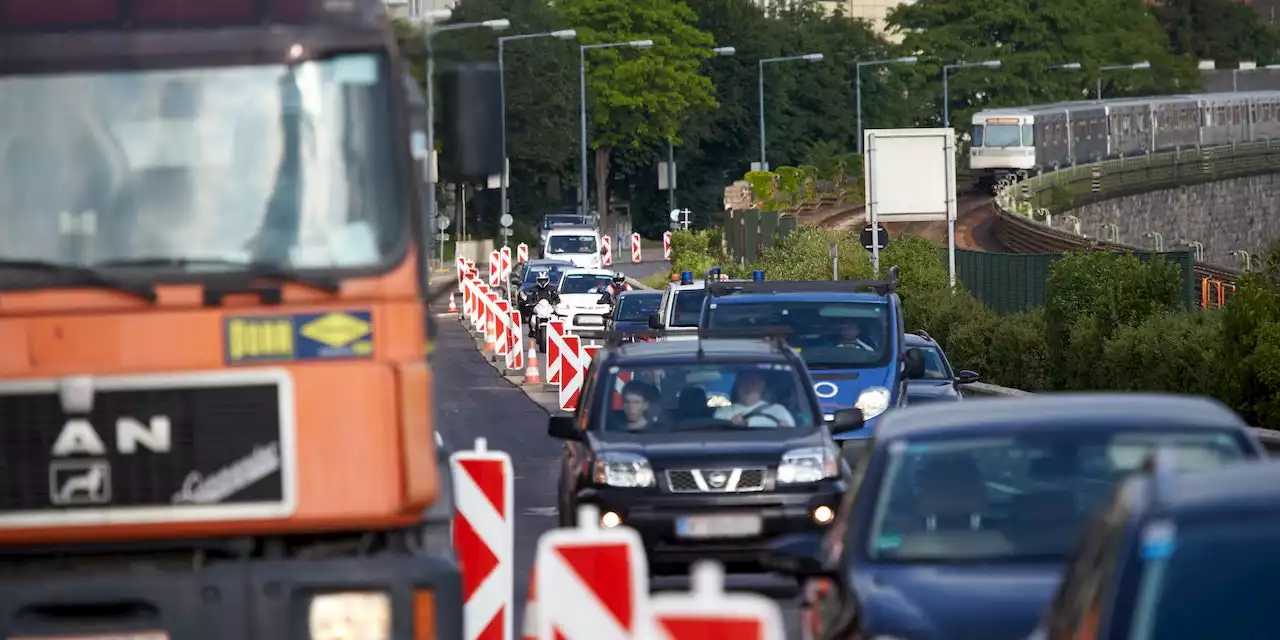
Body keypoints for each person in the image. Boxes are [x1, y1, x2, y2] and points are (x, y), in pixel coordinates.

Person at [713, 369, 795, 427]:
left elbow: (794, 439)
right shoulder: (724, 412)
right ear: (737, 385)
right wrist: (733, 428)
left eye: (753, 382)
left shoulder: (778, 411)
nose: (748, 386)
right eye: (744, 381)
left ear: (762, 386)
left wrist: (786, 429)